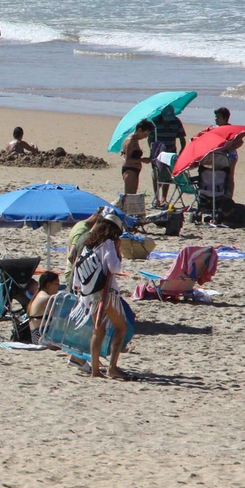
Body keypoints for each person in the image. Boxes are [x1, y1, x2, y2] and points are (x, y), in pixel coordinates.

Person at [73, 212, 128, 379]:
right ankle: (112, 367)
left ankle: (95, 370)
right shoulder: (108, 244)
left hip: (90, 294)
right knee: (121, 327)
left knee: (98, 330)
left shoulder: (89, 245)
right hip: (105, 293)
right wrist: (118, 251)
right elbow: (115, 268)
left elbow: (77, 269)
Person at [121, 120, 151, 195]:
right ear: (139, 130)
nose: (145, 137)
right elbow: (128, 160)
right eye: (145, 134)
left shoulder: (135, 139)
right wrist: (142, 160)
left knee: (132, 195)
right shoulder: (130, 140)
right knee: (129, 196)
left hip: (134, 169)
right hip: (129, 170)